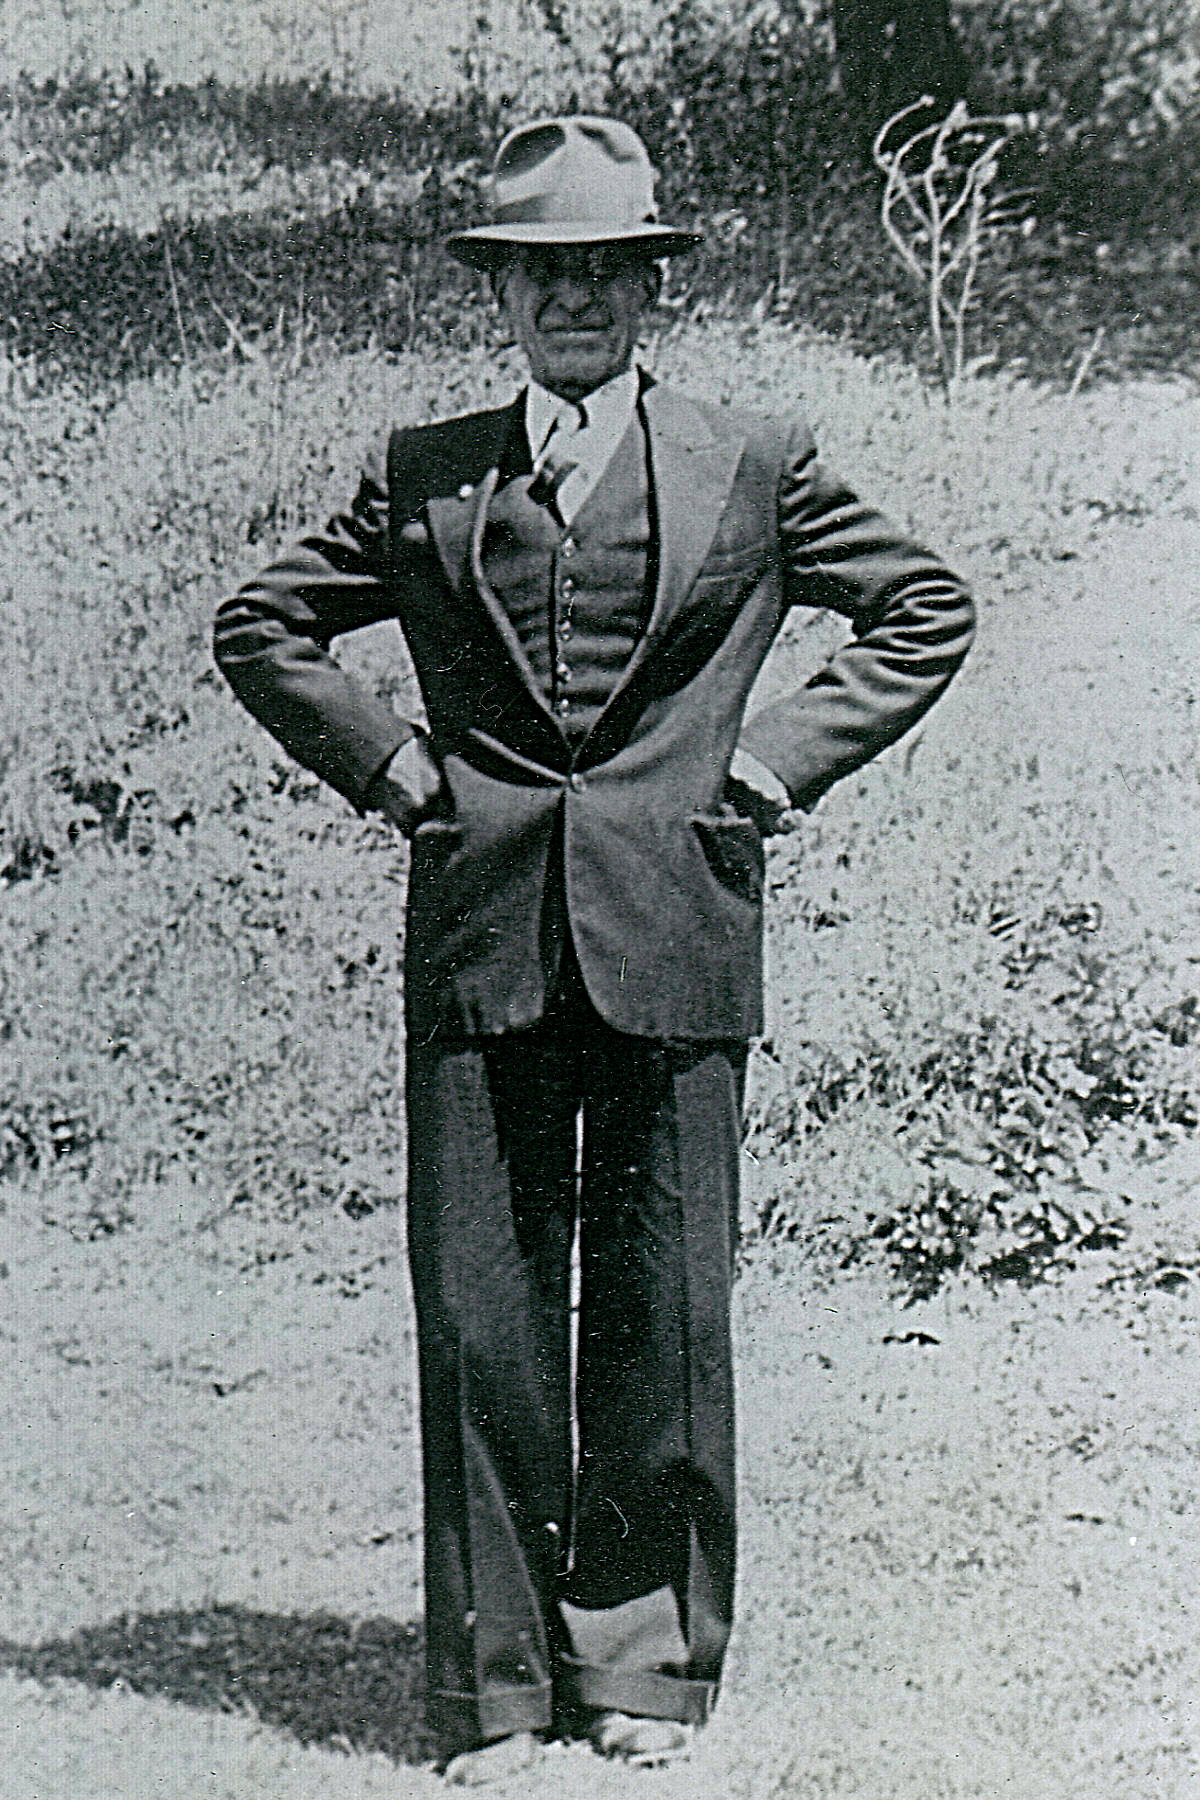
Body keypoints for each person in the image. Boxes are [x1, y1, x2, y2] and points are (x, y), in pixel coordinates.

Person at [213, 115, 975, 1786]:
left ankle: (642, 1665)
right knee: (481, 1314)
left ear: (650, 288)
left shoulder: (754, 462)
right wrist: (392, 765)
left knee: (661, 1309)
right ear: (500, 293)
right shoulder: (424, 472)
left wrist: (771, 764)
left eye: (604, 271)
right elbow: (260, 624)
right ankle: (492, 1685)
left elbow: (925, 607)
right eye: (540, 274)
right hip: (481, 935)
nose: (573, 300)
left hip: (677, 932)